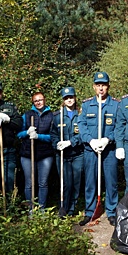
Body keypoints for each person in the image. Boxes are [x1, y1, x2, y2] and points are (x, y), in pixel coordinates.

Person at [77, 72, 119, 226]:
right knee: (90, 181)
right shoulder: (87, 105)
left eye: (104, 85)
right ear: (94, 87)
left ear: (108, 86)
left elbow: (119, 127)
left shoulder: (116, 105)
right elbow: (81, 126)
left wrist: (108, 139)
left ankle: (112, 211)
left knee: (111, 181)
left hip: (109, 150)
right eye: (98, 85)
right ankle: (90, 211)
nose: (101, 88)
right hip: (91, 150)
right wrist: (91, 140)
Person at [50, 87, 83, 216]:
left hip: (77, 154)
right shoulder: (57, 116)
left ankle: (72, 209)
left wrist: (71, 142)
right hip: (62, 155)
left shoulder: (80, 115)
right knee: (65, 182)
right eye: (66, 98)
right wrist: (56, 144)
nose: (69, 100)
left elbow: (83, 133)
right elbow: (53, 133)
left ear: (75, 98)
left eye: (71, 97)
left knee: (75, 182)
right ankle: (63, 207)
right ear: (63, 100)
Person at [18, 92, 54, 208]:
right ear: (33, 102)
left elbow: (54, 137)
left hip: (45, 154)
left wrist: (39, 137)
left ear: (45, 100)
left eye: (40, 100)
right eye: (36, 101)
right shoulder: (27, 115)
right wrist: (27, 132)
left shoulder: (52, 116)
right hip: (28, 153)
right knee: (29, 183)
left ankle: (42, 207)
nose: (38, 102)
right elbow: (18, 133)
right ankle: (31, 208)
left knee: (43, 183)